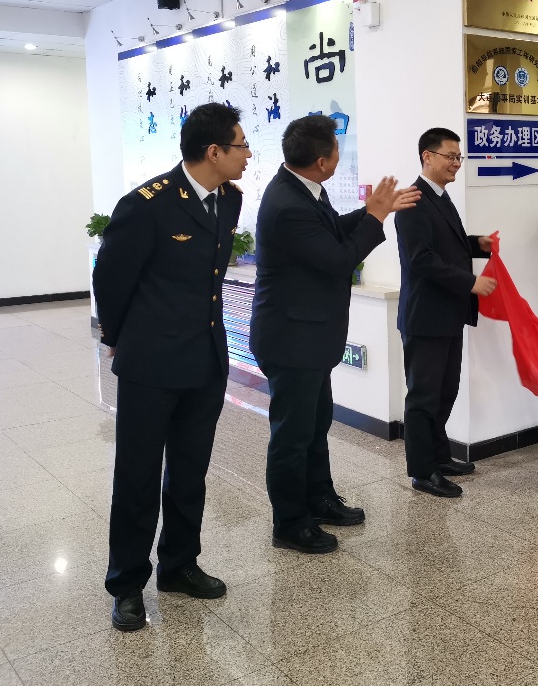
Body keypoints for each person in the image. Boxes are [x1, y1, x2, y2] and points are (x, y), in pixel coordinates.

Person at [93, 102, 250, 632]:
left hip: (205, 359)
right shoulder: (147, 204)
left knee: (189, 472)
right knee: (137, 477)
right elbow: (111, 278)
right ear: (214, 151)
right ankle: (127, 584)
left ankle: (179, 565)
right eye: (241, 145)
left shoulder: (229, 199)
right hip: (151, 365)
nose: (248, 155)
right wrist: (118, 338)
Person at [250, 116, 419, 554]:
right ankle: (290, 523)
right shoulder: (286, 204)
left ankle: (319, 499)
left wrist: (371, 211)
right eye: (337, 151)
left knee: (315, 424)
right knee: (292, 435)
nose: (339, 157)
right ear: (323, 162)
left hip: (309, 337)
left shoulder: (304, 188)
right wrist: (375, 217)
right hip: (291, 339)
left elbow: (329, 232)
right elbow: (337, 258)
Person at [395, 127, 496, 498]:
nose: (456, 163)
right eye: (450, 156)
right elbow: (422, 259)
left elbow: (445, 244)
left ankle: (439, 456)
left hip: (447, 314)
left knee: (445, 391)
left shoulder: (438, 196)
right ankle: (423, 472)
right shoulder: (413, 200)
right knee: (423, 397)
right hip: (425, 317)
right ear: (428, 157)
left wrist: (477, 244)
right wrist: (470, 282)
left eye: (458, 157)